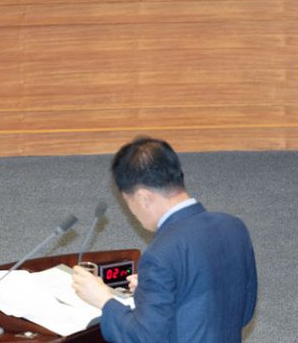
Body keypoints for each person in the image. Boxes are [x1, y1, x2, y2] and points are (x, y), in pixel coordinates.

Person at [72, 137, 257, 342]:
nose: (132, 212)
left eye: (128, 203)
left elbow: (144, 338)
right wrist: (153, 292)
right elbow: (243, 312)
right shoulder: (234, 227)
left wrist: (104, 300)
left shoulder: (160, 254)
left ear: (143, 198)